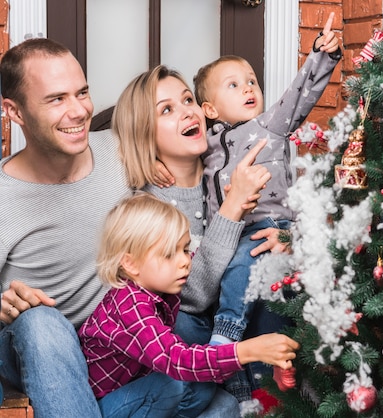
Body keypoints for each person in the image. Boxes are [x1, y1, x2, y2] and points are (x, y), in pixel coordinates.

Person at [0, 38, 268, 417]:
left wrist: (279, 228)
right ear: (14, 111)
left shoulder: (118, 150)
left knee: (225, 401)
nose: (78, 111)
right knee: (42, 323)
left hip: (120, 337)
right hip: (35, 344)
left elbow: (183, 139)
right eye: (56, 99)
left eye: (83, 93)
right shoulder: (3, 197)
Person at [113, 64, 292, 412]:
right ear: (143, 132)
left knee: (270, 279)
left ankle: (274, 401)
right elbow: (189, 299)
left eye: (187, 100)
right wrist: (234, 206)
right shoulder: (147, 205)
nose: (187, 112)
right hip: (194, 346)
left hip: (257, 329)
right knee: (179, 319)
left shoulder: (235, 163)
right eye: (166, 110)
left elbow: (282, 210)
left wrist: (287, 237)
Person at [192, 11, 341, 401]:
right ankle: (243, 385)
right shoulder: (203, 147)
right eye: (234, 84)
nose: (249, 89)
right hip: (224, 236)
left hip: (268, 227)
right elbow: (170, 151)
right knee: (246, 292)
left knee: (247, 269)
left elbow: (300, 95)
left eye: (252, 82)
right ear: (209, 109)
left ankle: (226, 336)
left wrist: (321, 56)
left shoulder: (270, 126)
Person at [78, 192, 299, 418]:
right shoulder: (128, 306)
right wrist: (247, 351)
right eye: (168, 254)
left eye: (184, 249)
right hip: (110, 405)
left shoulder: (158, 285)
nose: (185, 261)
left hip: (143, 390)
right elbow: (175, 360)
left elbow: (208, 258)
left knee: (214, 395)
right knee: (176, 383)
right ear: (131, 264)